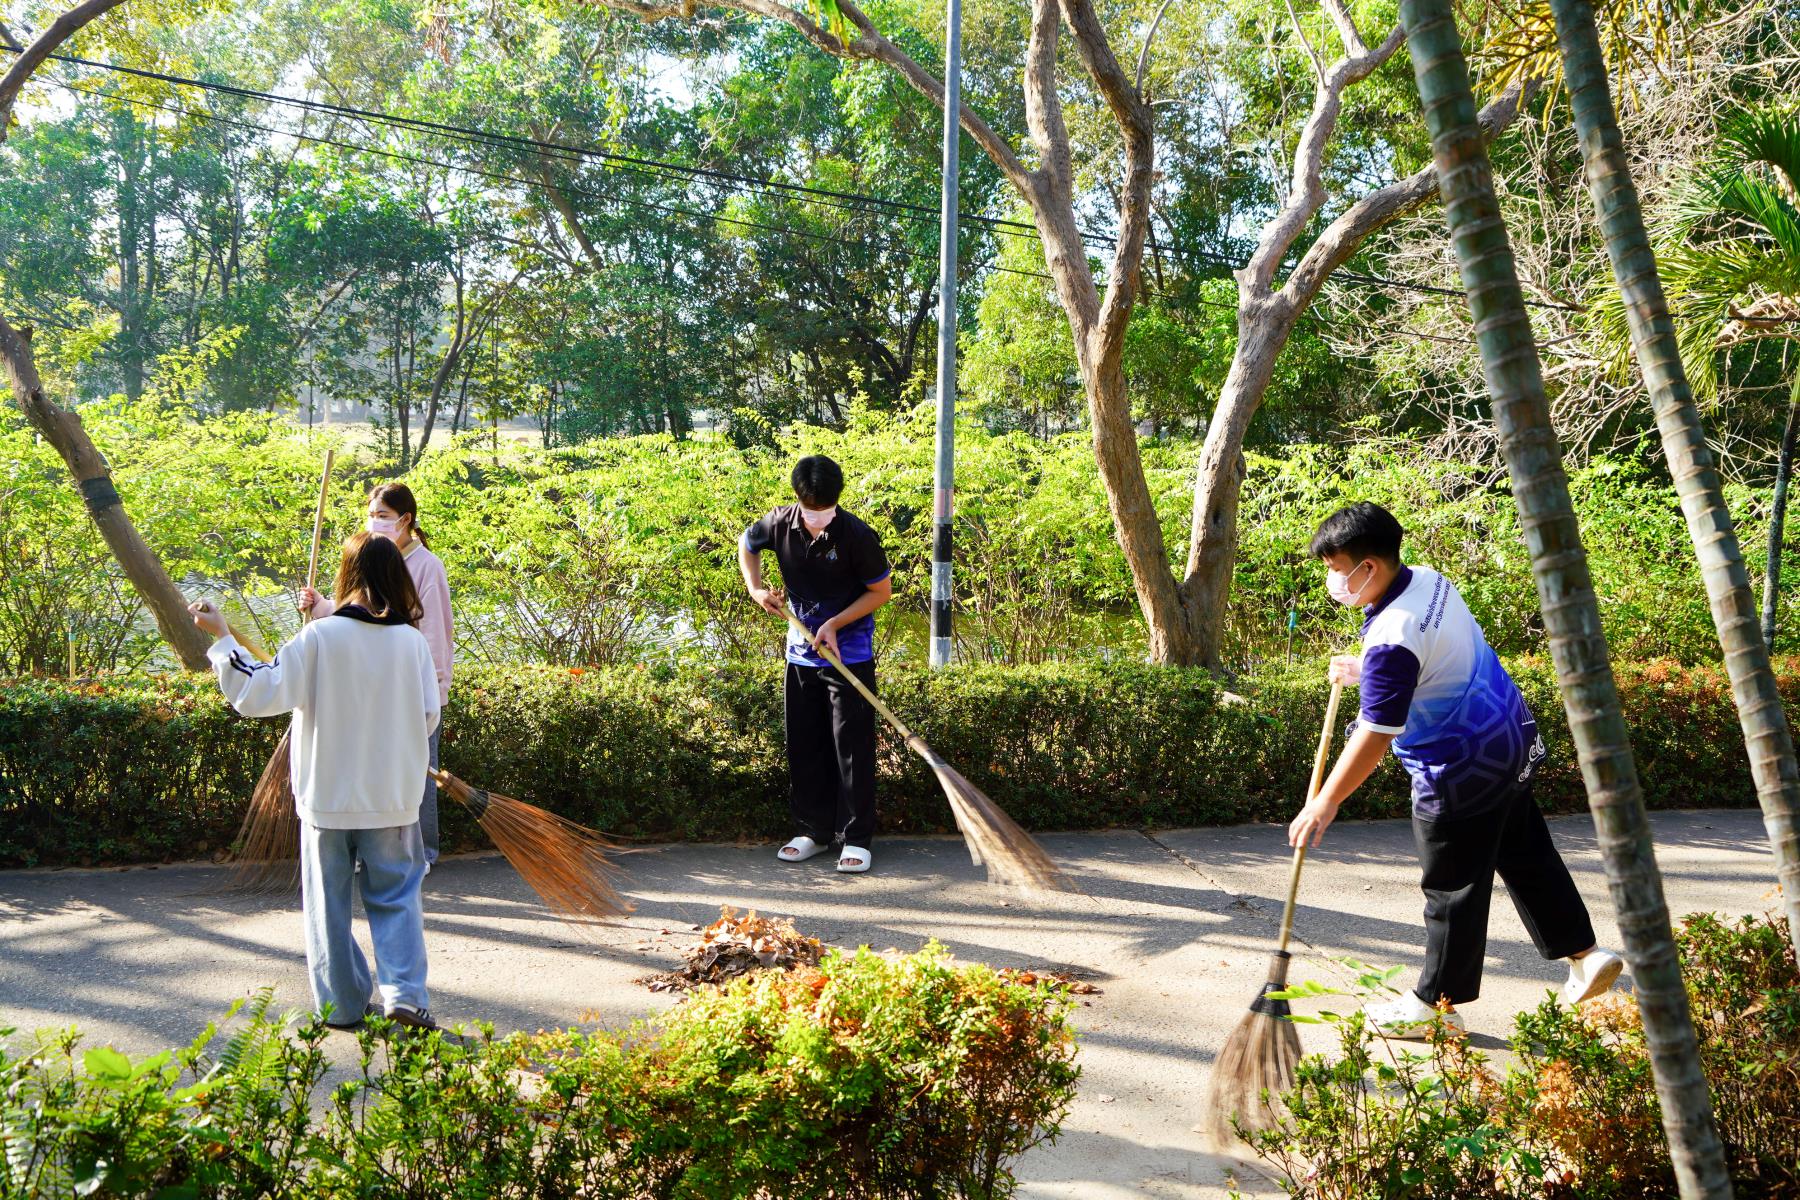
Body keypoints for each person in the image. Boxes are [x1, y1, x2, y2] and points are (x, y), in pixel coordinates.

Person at [1287, 501, 1623, 1038]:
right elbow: (1436, 651)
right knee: (1526, 854)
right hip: (1508, 741)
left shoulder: (1392, 637)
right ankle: (1586, 955)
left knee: (1451, 890)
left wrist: (1325, 802)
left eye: (1337, 570)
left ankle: (1436, 1007)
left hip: (1460, 772)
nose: (1334, 582)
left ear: (1368, 567)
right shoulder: (1430, 581)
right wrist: (1367, 670)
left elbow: (1377, 732)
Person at [192, 532, 440, 1031]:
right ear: (397, 577)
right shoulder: (411, 643)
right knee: (397, 897)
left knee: (327, 906)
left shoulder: (319, 637)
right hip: (392, 799)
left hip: (326, 798)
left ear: (346, 576)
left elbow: (259, 693)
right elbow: (428, 716)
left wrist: (222, 637)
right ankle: (405, 995)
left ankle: (342, 1006)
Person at [739, 455, 893, 874]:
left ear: (837, 500)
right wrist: (756, 590)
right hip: (800, 653)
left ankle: (856, 838)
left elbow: (881, 592)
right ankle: (812, 831)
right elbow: (746, 545)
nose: (817, 518)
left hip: (849, 655)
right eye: (810, 509)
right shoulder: (778, 523)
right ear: (797, 498)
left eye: (825, 510)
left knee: (851, 748)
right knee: (805, 744)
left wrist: (834, 624)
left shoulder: (858, 536)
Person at [303, 483, 453, 870]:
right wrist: (321, 607)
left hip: (411, 689)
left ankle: (422, 851)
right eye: (371, 515)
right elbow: (358, 613)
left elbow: (433, 636)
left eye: (383, 516)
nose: (375, 522)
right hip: (371, 688)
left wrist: (433, 691)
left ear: (406, 519)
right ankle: (372, 853)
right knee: (373, 770)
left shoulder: (427, 566)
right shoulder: (372, 557)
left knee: (416, 773)